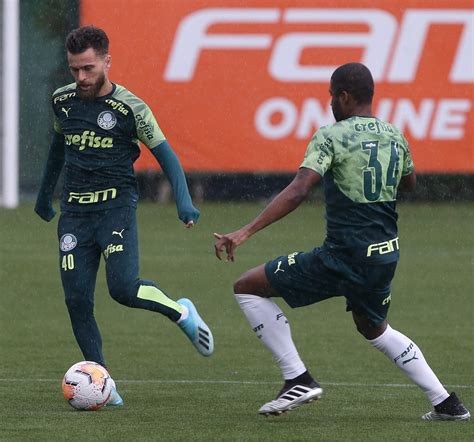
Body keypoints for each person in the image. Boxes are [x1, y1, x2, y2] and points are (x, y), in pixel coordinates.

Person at [214, 62, 470, 421]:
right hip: (384, 255)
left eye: (332, 96)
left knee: (248, 287)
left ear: (345, 97)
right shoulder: (394, 134)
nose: (330, 102)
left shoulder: (332, 136)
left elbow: (299, 189)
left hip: (345, 255)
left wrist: (245, 231)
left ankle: (296, 378)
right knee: (374, 328)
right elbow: (409, 183)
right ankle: (447, 403)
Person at [35, 26, 214, 406]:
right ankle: (102, 384)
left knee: (123, 289)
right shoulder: (62, 101)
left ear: (106, 62)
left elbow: (166, 155)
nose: (80, 77)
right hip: (74, 212)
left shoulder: (131, 108)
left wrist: (183, 201)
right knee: (77, 300)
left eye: (87, 68)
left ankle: (181, 313)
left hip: (115, 206)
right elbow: (57, 148)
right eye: (74, 70)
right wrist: (43, 195)